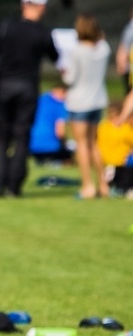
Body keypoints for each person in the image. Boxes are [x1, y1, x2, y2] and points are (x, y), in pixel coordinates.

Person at [0, 0, 58, 198]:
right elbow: (55, 56)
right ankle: (14, 185)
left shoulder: (7, 27)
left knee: (2, 136)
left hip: (4, 87)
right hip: (27, 88)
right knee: (22, 136)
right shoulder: (42, 32)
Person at [62, 14, 110, 199]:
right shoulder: (104, 48)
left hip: (80, 102)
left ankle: (88, 185)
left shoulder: (78, 51)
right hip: (97, 100)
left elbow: (70, 78)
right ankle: (103, 185)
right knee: (94, 143)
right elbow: (102, 40)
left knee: (82, 144)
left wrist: (64, 72)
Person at [29, 86, 72, 165]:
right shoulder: (60, 105)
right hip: (51, 149)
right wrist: (64, 145)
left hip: (30, 147)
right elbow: (60, 133)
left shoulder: (39, 99)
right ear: (63, 91)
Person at [98, 103, 133, 196]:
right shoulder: (103, 127)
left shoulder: (126, 128)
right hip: (108, 165)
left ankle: (123, 189)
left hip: (123, 165)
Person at [116, 8, 133, 95]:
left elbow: (123, 48)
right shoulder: (130, 29)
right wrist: (121, 62)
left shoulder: (130, 28)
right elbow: (124, 48)